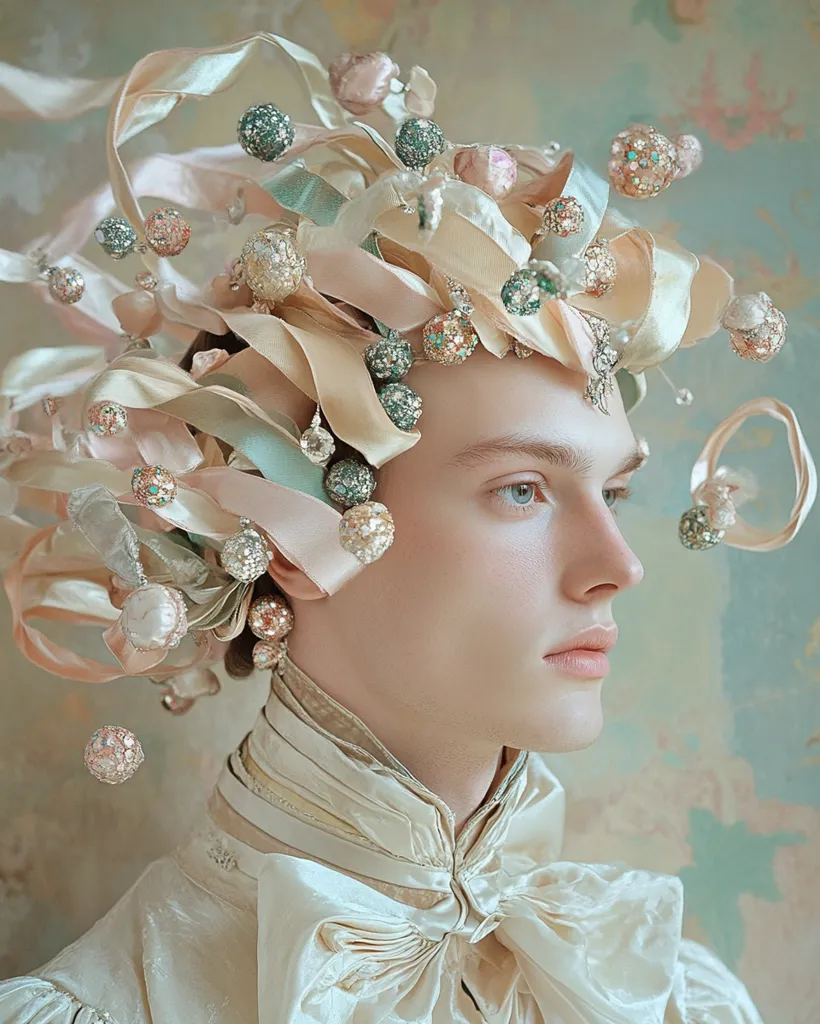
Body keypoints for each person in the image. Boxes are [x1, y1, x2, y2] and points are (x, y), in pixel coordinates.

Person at [0, 32, 814, 1024]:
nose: (618, 566)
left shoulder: (675, 997)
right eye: (522, 489)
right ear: (290, 537)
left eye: (619, 492)